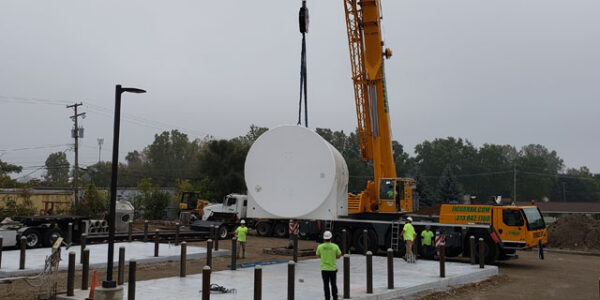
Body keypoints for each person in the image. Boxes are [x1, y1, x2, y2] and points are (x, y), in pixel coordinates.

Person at [316, 231, 341, 300]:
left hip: (324, 269)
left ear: (324, 238)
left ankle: (327, 298)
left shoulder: (320, 247)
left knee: (326, 285)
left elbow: (318, 255)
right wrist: (333, 256)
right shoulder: (335, 246)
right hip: (333, 269)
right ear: (331, 238)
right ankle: (335, 297)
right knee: (333, 284)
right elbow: (339, 255)